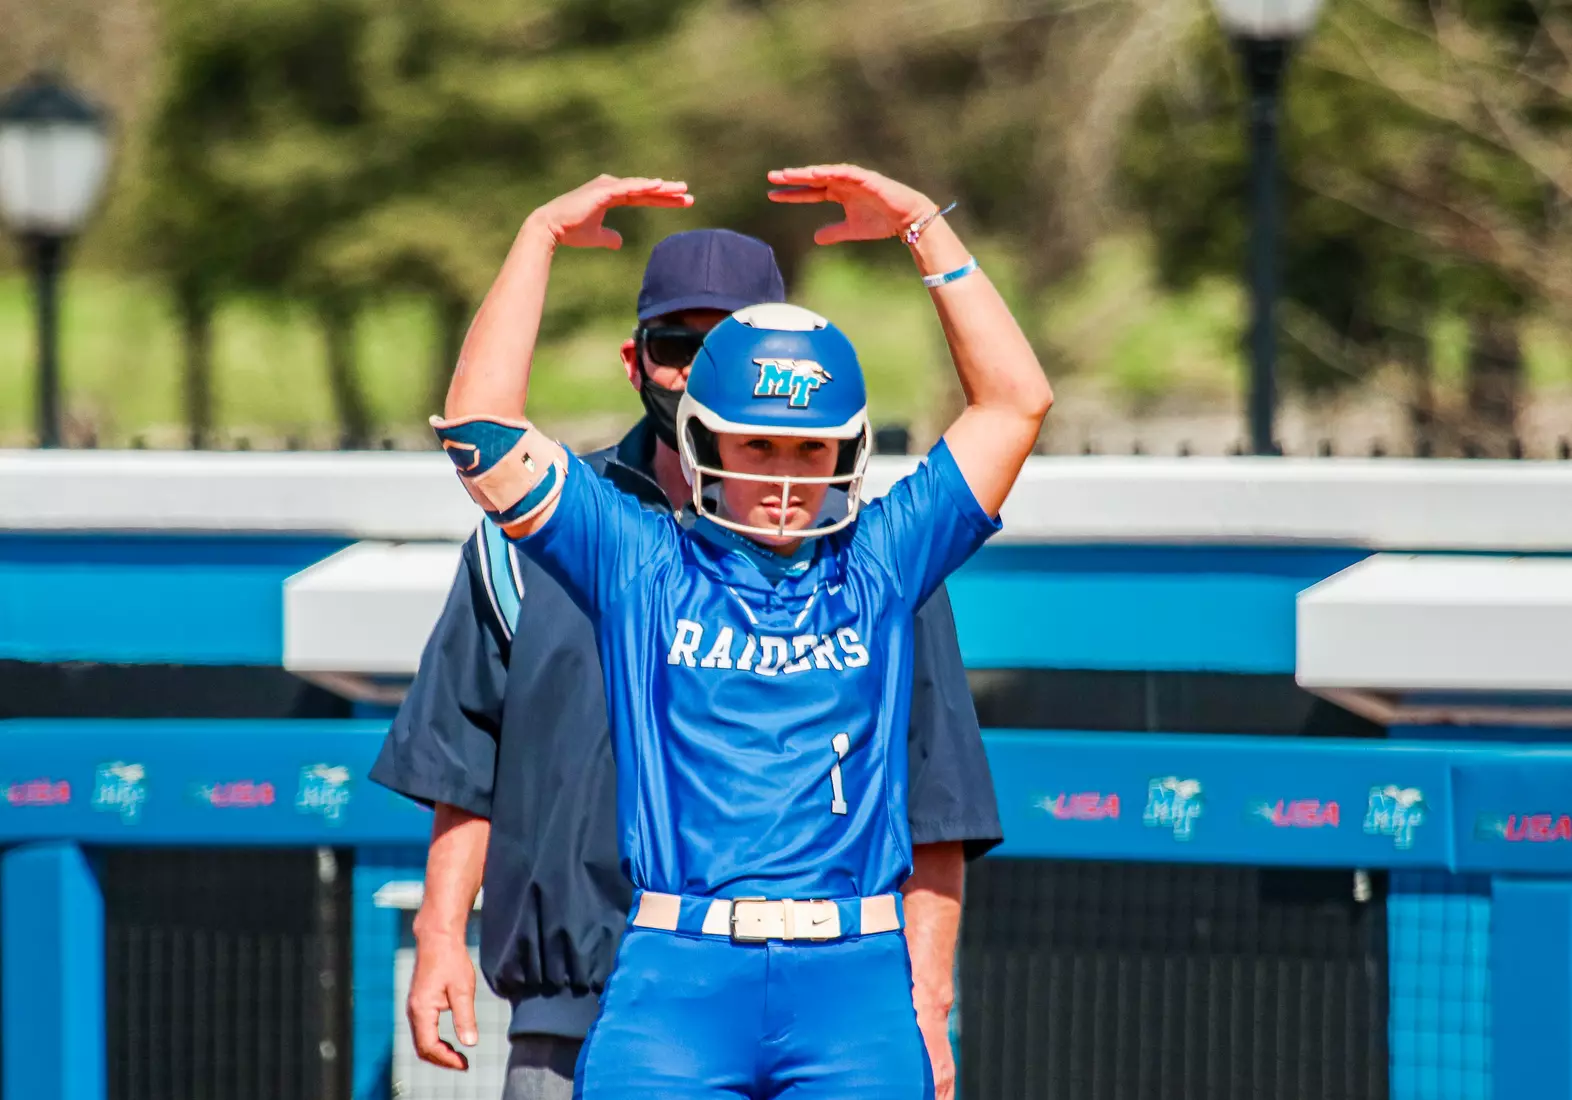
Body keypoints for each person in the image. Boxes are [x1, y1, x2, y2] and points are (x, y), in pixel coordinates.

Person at [426, 165, 1052, 1099]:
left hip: (855, 981)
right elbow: (480, 426)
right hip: (677, 979)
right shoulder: (640, 562)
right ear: (701, 440)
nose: (788, 479)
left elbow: (1015, 403)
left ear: (851, 452)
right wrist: (539, 235)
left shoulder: (883, 562)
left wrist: (925, 227)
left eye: (814, 450)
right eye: (758, 446)